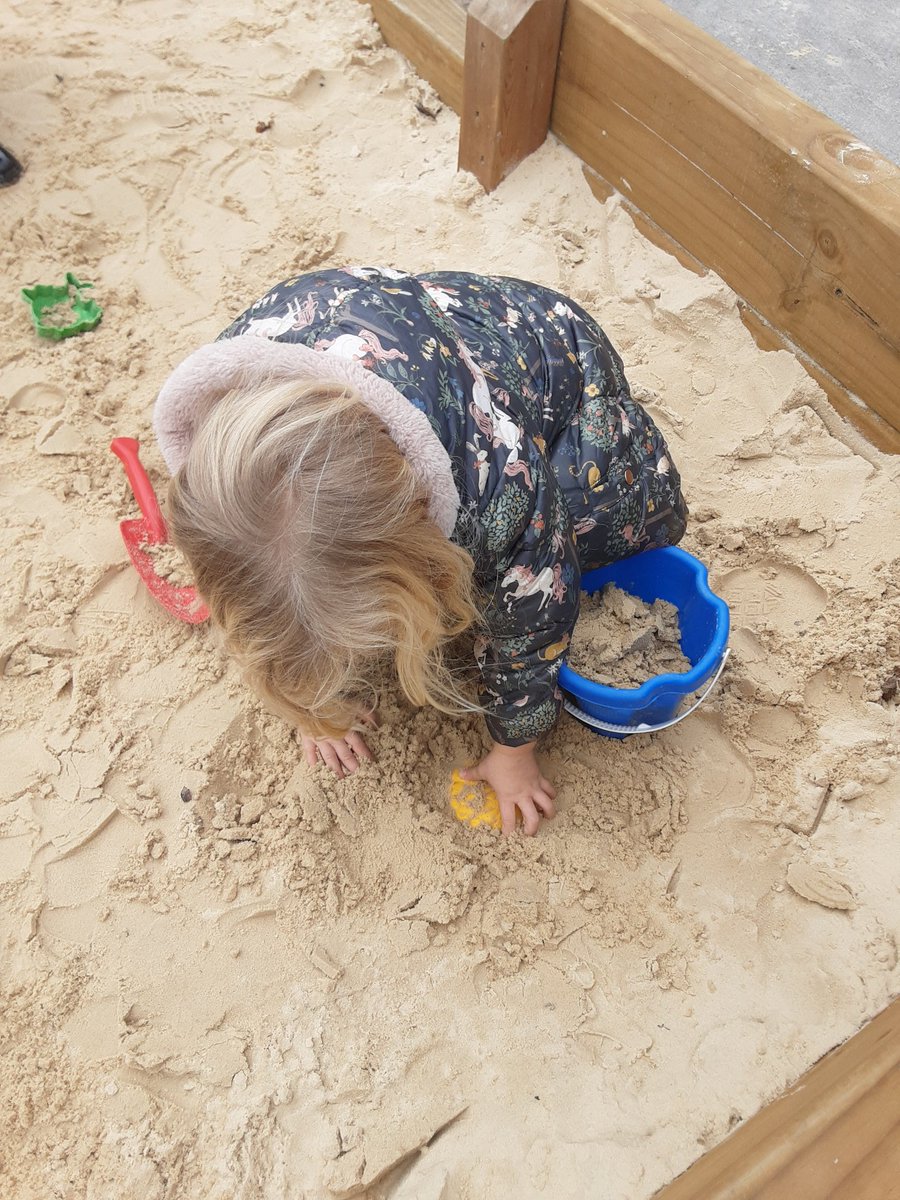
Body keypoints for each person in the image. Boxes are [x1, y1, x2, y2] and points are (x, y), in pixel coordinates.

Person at [154, 267, 687, 834]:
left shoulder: (498, 481)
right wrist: (309, 706)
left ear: (421, 538)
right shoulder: (221, 466)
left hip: (557, 365)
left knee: (586, 518)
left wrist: (514, 751)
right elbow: (264, 602)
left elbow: (537, 610)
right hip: (412, 334)